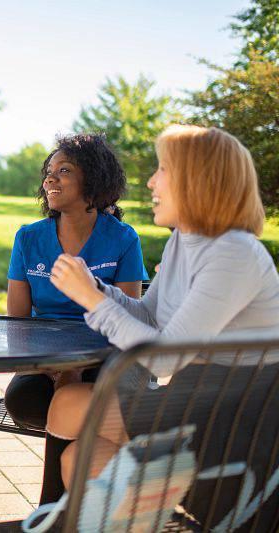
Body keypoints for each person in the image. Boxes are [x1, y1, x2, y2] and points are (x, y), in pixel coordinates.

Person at [46, 125, 279, 524]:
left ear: (197, 179)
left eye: (163, 170)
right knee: (80, 458)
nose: (152, 181)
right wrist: (98, 289)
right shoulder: (183, 241)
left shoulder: (234, 253)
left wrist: (90, 299)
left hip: (231, 426)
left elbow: (164, 359)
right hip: (197, 406)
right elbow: (150, 316)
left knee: (68, 407)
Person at [4, 133, 149, 504]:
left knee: (71, 400)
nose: (49, 179)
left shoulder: (122, 238)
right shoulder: (28, 238)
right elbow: (17, 322)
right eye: (48, 172)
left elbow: (128, 315)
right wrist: (50, 367)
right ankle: (87, 509)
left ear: (94, 180)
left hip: (105, 362)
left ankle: (52, 512)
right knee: (25, 399)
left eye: (63, 170)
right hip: (40, 365)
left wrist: (76, 370)